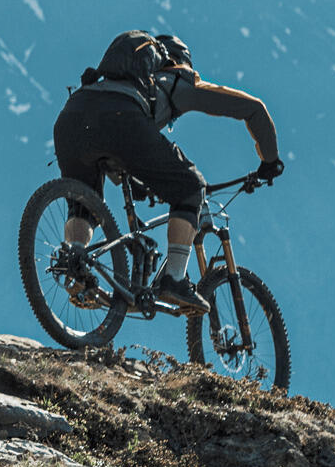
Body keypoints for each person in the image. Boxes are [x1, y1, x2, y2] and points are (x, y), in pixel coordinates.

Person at [51, 30, 283, 312]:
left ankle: (75, 264)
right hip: (121, 119)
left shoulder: (114, 81)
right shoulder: (177, 79)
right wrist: (270, 160)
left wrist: (141, 181)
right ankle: (174, 279)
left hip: (71, 118)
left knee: (83, 208)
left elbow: (116, 150)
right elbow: (254, 109)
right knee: (191, 187)